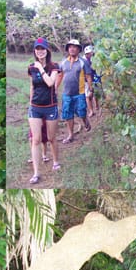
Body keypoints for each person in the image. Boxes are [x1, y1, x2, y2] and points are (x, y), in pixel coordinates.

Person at [27, 37, 61, 185]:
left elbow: (50, 83)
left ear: (47, 51)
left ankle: (55, 161)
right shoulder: (30, 68)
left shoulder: (54, 66)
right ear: (35, 51)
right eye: (37, 49)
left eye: (42, 49)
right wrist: (30, 103)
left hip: (50, 107)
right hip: (35, 107)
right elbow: (32, 86)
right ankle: (36, 172)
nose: (40, 51)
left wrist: (40, 68)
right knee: (36, 139)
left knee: (52, 138)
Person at [55, 39, 92, 144]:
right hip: (67, 94)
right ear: (67, 49)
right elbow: (60, 75)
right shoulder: (63, 62)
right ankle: (70, 135)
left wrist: (90, 87)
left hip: (79, 93)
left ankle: (85, 121)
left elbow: (88, 76)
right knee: (68, 114)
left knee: (81, 112)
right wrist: (55, 87)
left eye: (74, 47)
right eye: (70, 47)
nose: (72, 49)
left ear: (78, 49)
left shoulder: (82, 62)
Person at [83, 45, 100, 118]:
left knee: (96, 92)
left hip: (95, 76)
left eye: (91, 53)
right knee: (88, 95)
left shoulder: (95, 58)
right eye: (88, 53)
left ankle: (97, 104)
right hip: (86, 79)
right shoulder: (83, 60)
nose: (90, 54)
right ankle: (91, 110)